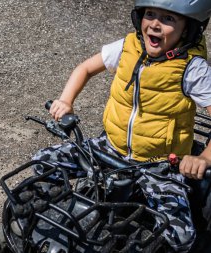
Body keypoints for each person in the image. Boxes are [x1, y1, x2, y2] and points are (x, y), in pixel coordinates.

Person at [33, 0, 211, 252]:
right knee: (43, 162)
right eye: (150, 14)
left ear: (190, 29)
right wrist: (65, 100)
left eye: (169, 19)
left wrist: (203, 158)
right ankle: (65, 220)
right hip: (109, 146)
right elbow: (85, 68)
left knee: (180, 236)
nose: (156, 25)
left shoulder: (193, 69)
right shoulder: (127, 47)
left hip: (159, 163)